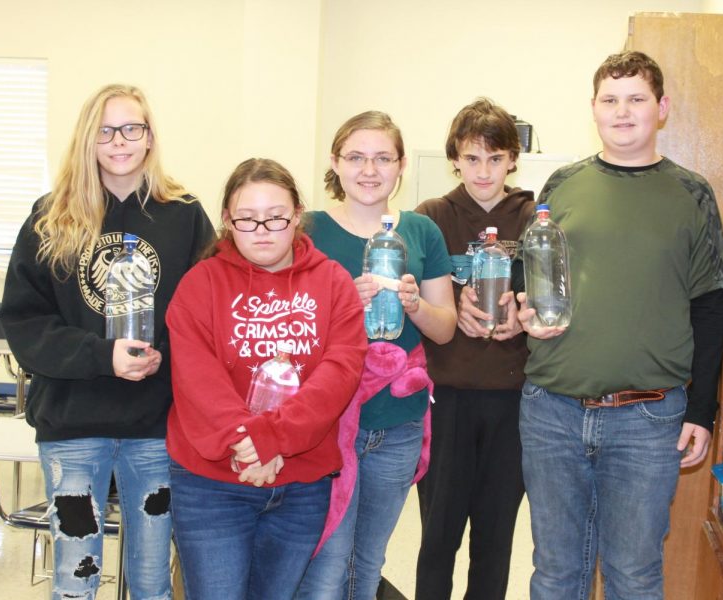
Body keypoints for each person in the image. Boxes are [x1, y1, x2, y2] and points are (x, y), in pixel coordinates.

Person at [513, 51, 723, 599]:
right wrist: (523, 314)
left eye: (637, 99)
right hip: (551, 412)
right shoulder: (561, 185)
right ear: (594, 108)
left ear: (662, 108)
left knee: (634, 575)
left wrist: (703, 408)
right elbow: (528, 280)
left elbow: (709, 307)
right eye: (610, 100)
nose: (623, 111)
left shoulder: (692, 195)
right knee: (556, 572)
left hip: (649, 421)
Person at [0, 83, 216, 600]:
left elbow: (207, 311)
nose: (119, 141)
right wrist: (103, 356)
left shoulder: (184, 214)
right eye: (105, 130)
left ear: (149, 138)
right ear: (87, 139)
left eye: (131, 128)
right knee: (76, 580)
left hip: (157, 429)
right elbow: (25, 322)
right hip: (73, 427)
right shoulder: (50, 217)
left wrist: (163, 353)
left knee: (151, 582)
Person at [164, 158, 368, 599]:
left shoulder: (333, 283)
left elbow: (340, 372)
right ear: (227, 221)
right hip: (213, 485)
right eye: (247, 219)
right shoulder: (200, 285)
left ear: (297, 216)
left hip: (300, 486)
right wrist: (253, 443)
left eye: (276, 217)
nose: (262, 230)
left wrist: (273, 438)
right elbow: (198, 380)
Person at [297, 111, 457, 600]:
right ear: (335, 163)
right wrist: (344, 302)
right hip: (327, 423)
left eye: (383, 158)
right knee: (326, 560)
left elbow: (446, 328)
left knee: (367, 562)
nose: (370, 170)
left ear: (401, 164)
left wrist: (414, 306)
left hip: (397, 425)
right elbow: (288, 328)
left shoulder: (422, 232)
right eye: (357, 157)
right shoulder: (307, 231)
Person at [413, 98, 533, 600]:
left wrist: (521, 321)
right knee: (438, 537)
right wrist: (444, 305)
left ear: (512, 160)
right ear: (455, 160)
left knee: (495, 538)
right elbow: (409, 307)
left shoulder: (536, 220)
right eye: (471, 158)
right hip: (447, 398)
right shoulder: (430, 218)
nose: (483, 171)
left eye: (496, 157)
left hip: (515, 400)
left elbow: (554, 303)